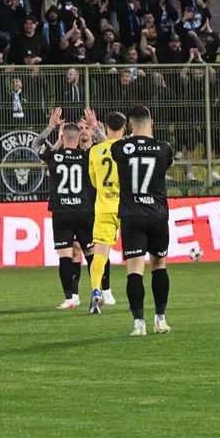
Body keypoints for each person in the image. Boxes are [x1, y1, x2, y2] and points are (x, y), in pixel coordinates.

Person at [111, 105, 175, 336]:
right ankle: (161, 319)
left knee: (134, 269)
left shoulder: (121, 147)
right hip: (157, 214)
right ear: (152, 123)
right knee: (159, 264)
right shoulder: (164, 148)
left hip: (132, 215)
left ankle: (139, 324)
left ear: (129, 125)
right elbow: (167, 164)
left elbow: (114, 149)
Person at [32, 107, 99, 310]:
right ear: (79, 138)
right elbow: (107, 146)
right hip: (84, 211)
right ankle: (97, 291)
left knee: (65, 256)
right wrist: (95, 127)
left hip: (61, 213)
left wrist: (51, 127)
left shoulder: (54, 156)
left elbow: (35, 145)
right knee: (91, 253)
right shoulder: (87, 155)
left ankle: (70, 298)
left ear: (63, 137)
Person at [86, 109, 126, 314]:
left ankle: (96, 291)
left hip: (103, 208)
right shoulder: (128, 149)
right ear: (124, 128)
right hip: (127, 208)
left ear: (106, 127)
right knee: (135, 255)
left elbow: (94, 181)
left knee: (100, 254)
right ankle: (135, 299)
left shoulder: (95, 151)